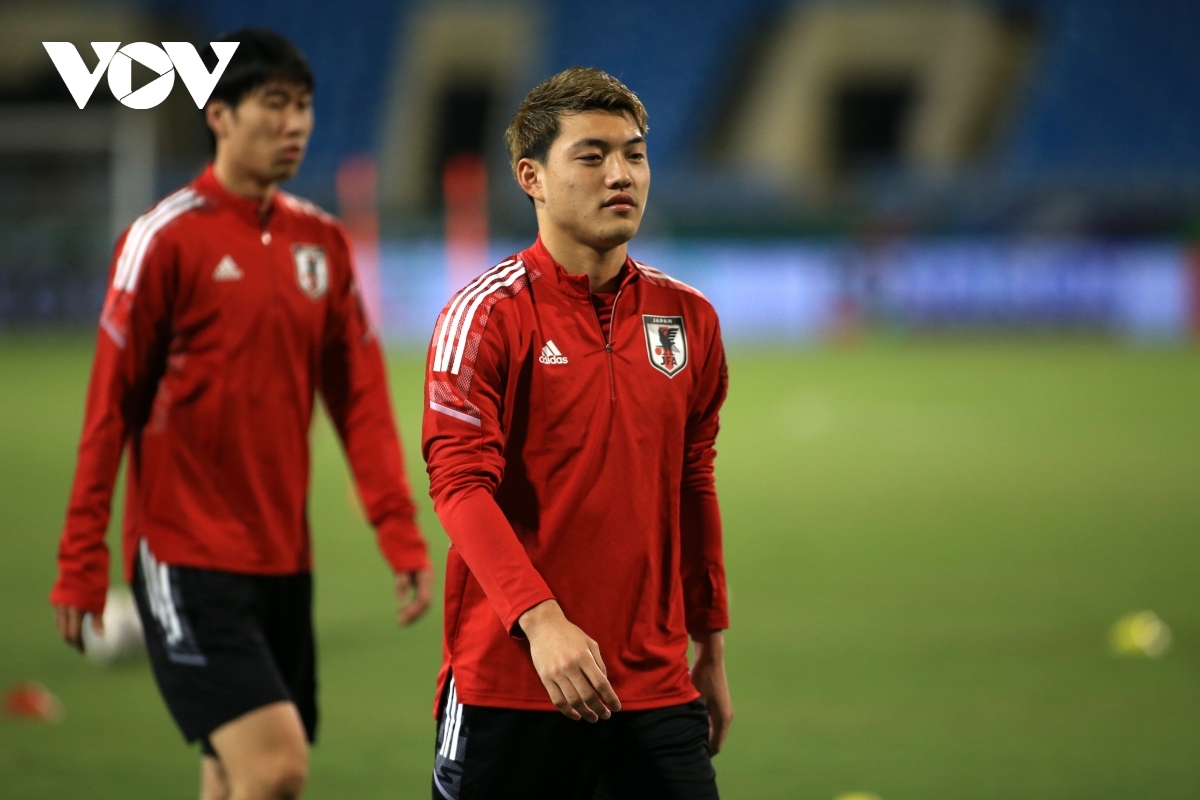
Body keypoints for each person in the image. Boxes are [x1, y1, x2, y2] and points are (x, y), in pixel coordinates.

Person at [50, 29, 432, 800]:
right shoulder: (162, 240)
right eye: (274, 105)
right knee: (277, 767)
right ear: (219, 114)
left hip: (282, 556)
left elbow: (358, 399)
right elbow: (109, 408)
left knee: (231, 776)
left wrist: (396, 527)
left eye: (305, 108)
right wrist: (81, 555)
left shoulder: (321, 243)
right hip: (184, 554)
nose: (294, 124)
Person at [423, 67, 733, 799]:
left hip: (655, 690)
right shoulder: (487, 316)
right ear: (531, 177)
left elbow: (694, 481)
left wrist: (711, 645)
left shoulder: (689, 319)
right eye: (592, 156)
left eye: (635, 153)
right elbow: (459, 485)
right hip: (510, 685)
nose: (620, 175)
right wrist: (543, 624)